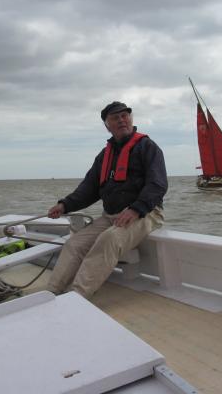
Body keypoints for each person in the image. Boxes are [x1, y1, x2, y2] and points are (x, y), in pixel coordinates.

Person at [47, 101, 167, 298]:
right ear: (107, 125)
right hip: (111, 216)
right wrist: (64, 205)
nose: (121, 120)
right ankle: (51, 292)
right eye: (115, 117)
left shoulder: (148, 147)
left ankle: (77, 296)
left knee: (108, 239)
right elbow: (88, 189)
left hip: (146, 213)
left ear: (131, 118)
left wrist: (136, 209)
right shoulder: (104, 156)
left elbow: (158, 184)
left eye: (125, 115)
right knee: (74, 244)